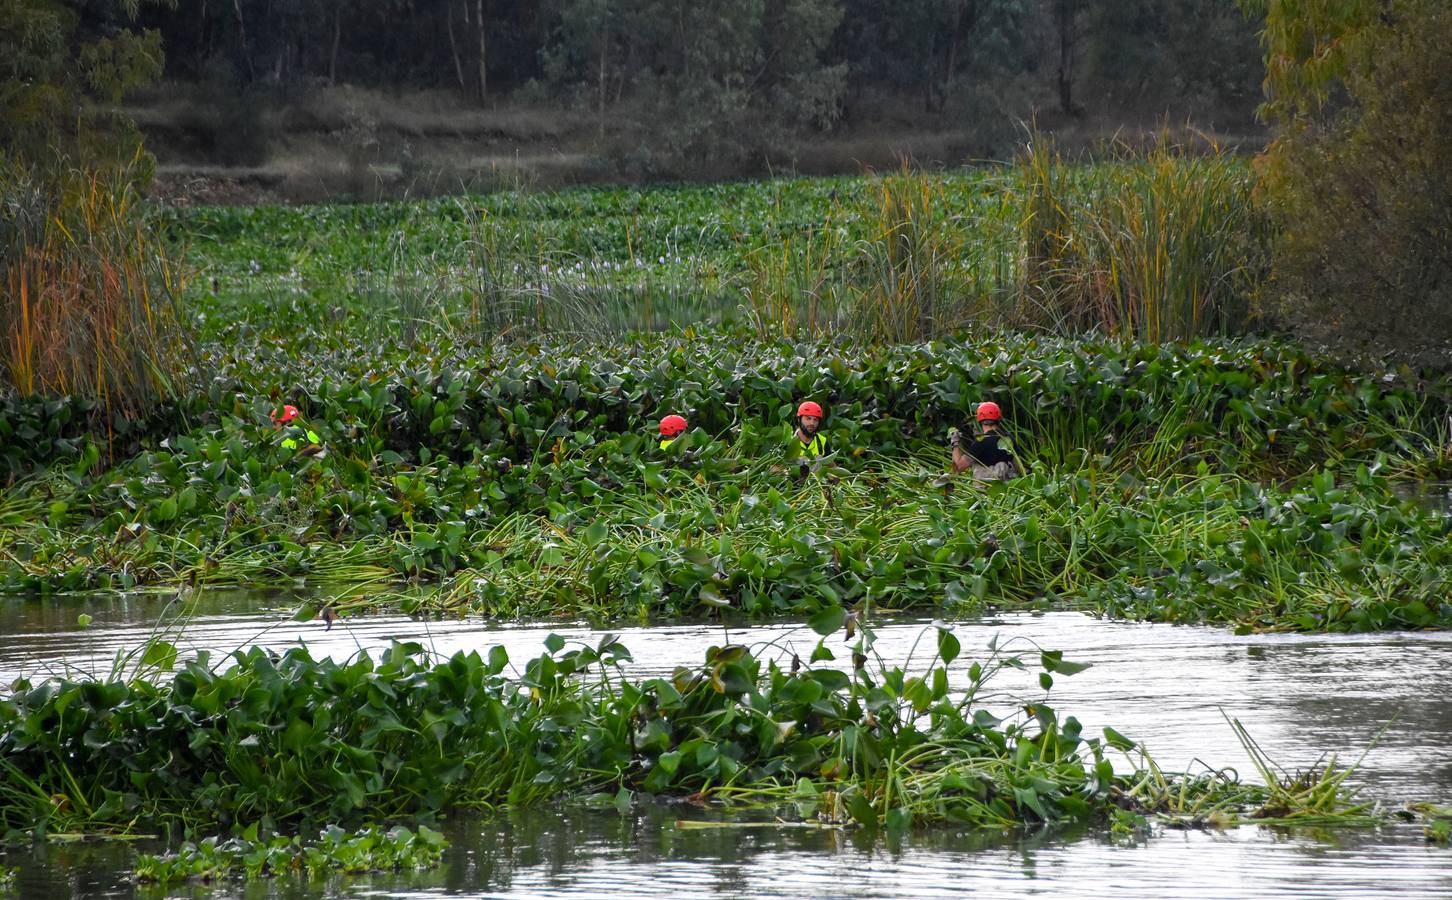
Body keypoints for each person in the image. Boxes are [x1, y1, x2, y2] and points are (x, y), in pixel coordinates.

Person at [952, 401, 1017, 481]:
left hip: (986, 489)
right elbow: (1018, 465)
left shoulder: (981, 442)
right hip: (1009, 486)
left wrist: (955, 443)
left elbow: (957, 468)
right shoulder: (1009, 438)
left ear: (980, 418)